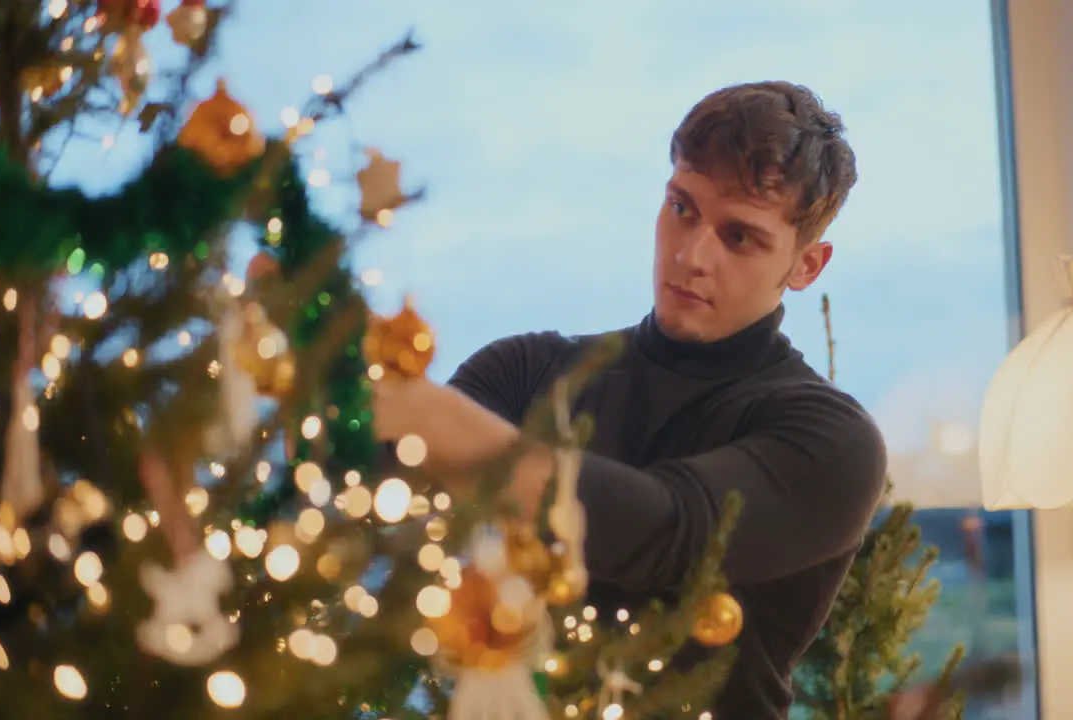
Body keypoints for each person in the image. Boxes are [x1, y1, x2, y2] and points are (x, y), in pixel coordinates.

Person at [371, 80, 888, 718]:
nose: (692, 254)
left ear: (807, 266)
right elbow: (384, 503)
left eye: (740, 237)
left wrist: (435, 420)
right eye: (683, 208)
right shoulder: (527, 372)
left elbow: (667, 529)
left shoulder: (831, 439)